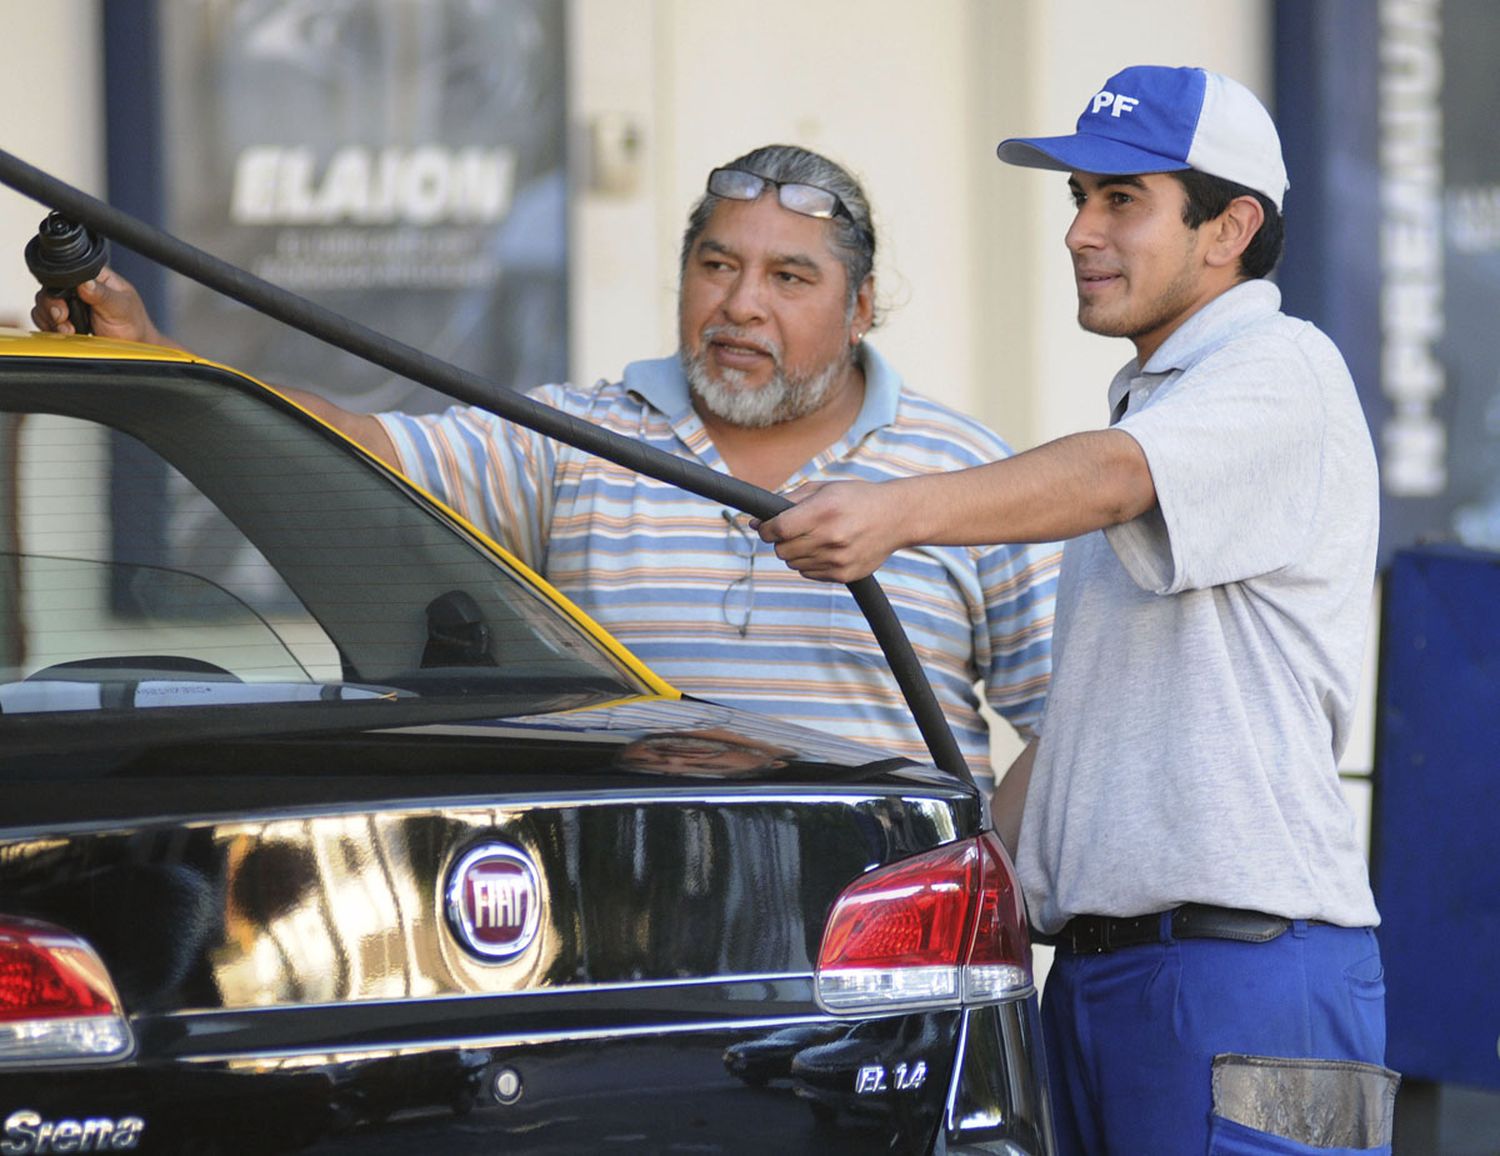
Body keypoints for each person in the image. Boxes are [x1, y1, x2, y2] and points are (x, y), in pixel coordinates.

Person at [757, 68, 1397, 1154]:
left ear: (1229, 227)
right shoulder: (1172, 404)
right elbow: (1077, 740)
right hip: (1105, 981)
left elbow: (1110, 475)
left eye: (1120, 200)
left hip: (1245, 980)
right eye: (1078, 199)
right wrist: (902, 884)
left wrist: (895, 513)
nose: (1078, 232)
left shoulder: (1282, 368)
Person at [33, 144, 1060, 790]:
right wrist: (161, 358)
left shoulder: (960, 471)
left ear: (862, 305)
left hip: (883, 949)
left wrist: (992, 868)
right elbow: (366, 446)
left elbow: (1073, 729)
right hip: (636, 922)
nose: (742, 304)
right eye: (718, 265)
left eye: (791, 277)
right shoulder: (577, 435)